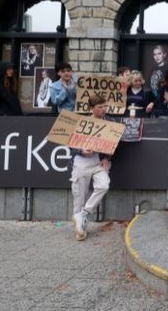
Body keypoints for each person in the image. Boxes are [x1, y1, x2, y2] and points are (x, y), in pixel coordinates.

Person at [70, 94, 112, 241]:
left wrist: (106, 158)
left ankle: (84, 214)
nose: (103, 109)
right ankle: (80, 228)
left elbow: (113, 144)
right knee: (79, 197)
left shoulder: (109, 122)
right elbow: (71, 145)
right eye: (100, 107)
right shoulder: (82, 123)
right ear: (91, 109)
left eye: (104, 106)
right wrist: (81, 150)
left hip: (98, 163)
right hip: (81, 162)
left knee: (104, 185)